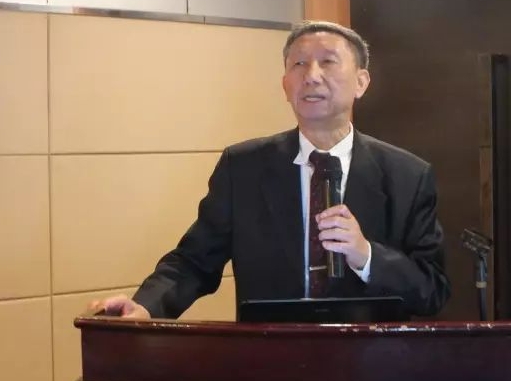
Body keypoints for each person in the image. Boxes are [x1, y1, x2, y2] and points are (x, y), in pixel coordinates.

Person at [89, 20, 450, 319]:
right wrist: (146, 307)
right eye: (299, 64)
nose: (311, 76)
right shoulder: (243, 167)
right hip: (268, 358)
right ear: (285, 86)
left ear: (361, 82)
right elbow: (194, 261)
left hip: (373, 362)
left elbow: (432, 290)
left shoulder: (407, 176)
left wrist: (366, 255)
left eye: (328, 62)